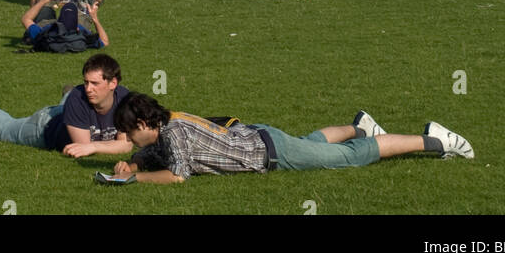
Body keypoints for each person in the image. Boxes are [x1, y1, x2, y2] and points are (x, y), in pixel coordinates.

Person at [109, 94, 474, 183]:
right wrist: (137, 160)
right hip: (261, 136)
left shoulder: (173, 134)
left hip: (271, 152)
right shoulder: (169, 122)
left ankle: (437, 141)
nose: (127, 137)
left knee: (352, 158)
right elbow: (162, 151)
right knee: (311, 142)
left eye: (129, 132)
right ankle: (362, 126)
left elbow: (178, 175)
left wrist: (133, 176)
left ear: (143, 122)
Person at [0, 54, 134, 156]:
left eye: (95, 84)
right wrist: (98, 147)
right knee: (6, 129)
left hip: (69, 115)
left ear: (113, 84)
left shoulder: (124, 99)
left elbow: (126, 145)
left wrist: (97, 146)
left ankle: (67, 96)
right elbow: (83, 147)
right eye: (86, 82)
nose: (88, 89)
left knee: (73, 102)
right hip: (46, 127)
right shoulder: (80, 99)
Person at [21, 0, 109, 50]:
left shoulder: (47, 31)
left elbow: (26, 19)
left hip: (44, 24)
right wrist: (95, 18)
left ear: (58, 21)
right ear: (77, 27)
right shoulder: (81, 34)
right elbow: (104, 41)